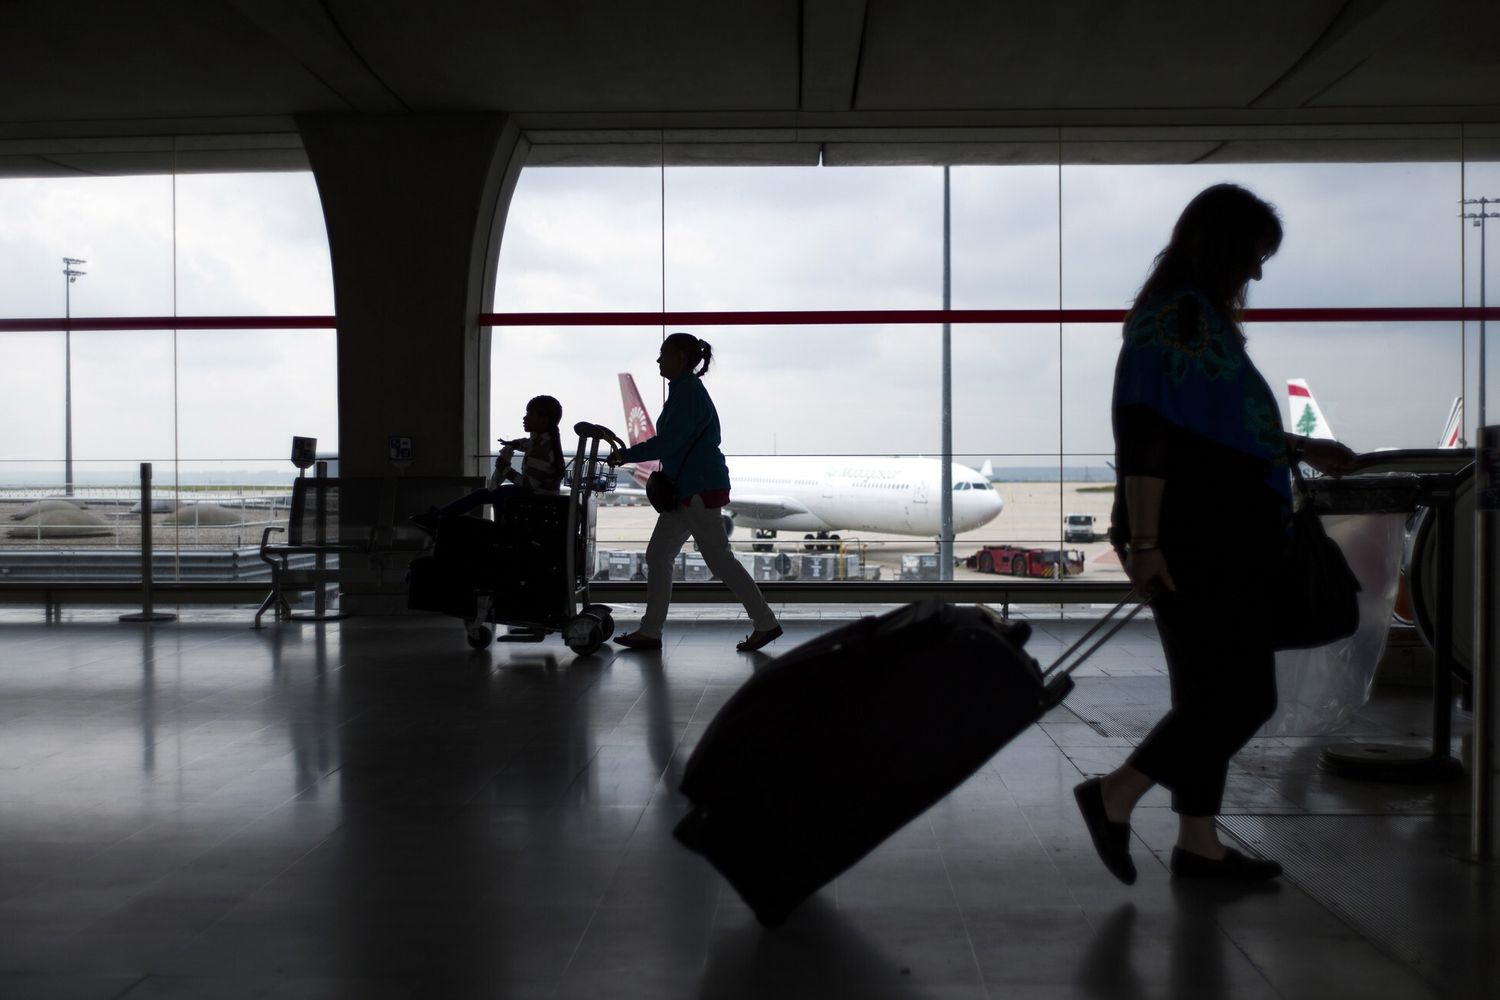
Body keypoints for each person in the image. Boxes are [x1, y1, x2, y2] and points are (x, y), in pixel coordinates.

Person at [1075, 184, 1356, 884]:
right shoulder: (1173, 320)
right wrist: (1144, 544)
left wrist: (1295, 446)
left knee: (1206, 691)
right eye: (1253, 255)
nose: (1256, 272)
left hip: (1211, 530)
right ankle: (1114, 796)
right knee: (1240, 696)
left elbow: (1215, 426)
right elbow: (1145, 435)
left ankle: (1197, 842)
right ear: (1220, 246)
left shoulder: (1193, 317)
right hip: (1199, 535)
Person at [606, 333, 783, 652]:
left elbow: (668, 443)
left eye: (664, 353)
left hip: (696, 490)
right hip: (689, 490)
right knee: (661, 555)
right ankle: (650, 630)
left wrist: (625, 455)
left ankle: (766, 622)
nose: (658, 360)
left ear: (682, 358)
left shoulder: (687, 394)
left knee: (717, 560)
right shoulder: (683, 391)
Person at [414, 395, 566, 532]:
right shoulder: (544, 442)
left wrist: (505, 469)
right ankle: (443, 517)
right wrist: (513, 444)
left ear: (544, 420)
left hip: (534, 498)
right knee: (495, 495)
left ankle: (439, 518)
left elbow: (529, 485)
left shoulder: (541, 449)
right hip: (538, 497)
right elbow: (526, 444)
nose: (525, 418)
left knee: (483, 494)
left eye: (530, 414)